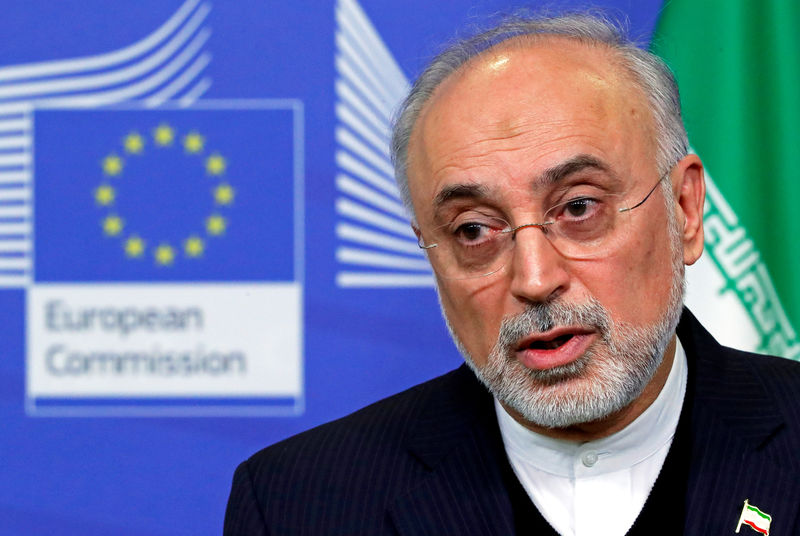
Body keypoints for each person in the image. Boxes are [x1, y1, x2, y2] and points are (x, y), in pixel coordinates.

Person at [224, 11, 800, 536]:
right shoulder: (296, 503)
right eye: (475, 230)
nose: (534, 277)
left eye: (579, 207)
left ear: (685, 210)